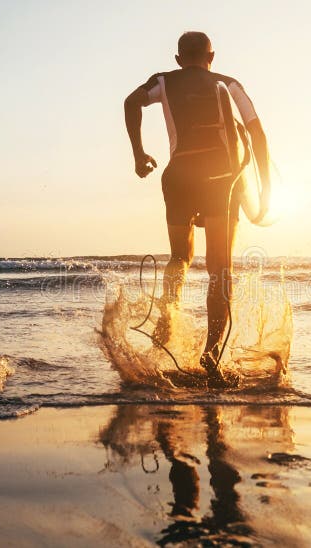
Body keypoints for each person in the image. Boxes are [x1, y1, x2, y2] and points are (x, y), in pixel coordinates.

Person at [124, 31, 271, 387]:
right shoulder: (229, 83)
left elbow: (131, 102)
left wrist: (139, 154)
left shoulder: (163, 81)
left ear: (178, 58)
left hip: (178, 178)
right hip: (221, 180)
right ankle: (210, 353)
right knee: (220, 267)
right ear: (212, 56)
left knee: (180, 258)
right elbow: (257, 134)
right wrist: (265, 192)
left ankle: (166, 320)